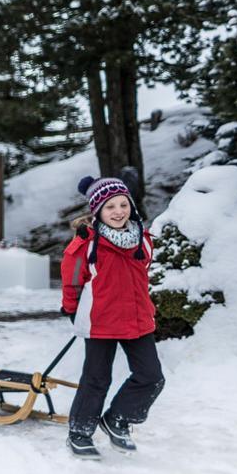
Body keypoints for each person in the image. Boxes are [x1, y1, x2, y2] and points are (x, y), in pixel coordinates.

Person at [61, 175, 165, 459]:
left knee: (152, 377)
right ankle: (80, 432)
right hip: (101, 321)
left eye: (123, 204)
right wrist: (71, 309)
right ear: (97, 212)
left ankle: (117, 419)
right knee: (96, 379)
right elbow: (72, 280)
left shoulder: (143, 240)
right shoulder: (86, 244)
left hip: (137, 318)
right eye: (110, 207)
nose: (119, 211)